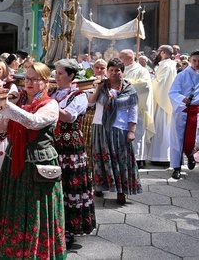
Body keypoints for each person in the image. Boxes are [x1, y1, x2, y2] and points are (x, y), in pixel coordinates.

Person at [0, 62, 66, 259]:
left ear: (46, 82)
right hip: (14, 160)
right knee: (14, 208)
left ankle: (37, 252)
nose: (28, 83)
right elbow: (0, 128)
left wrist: (8, 106)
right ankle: (13, 251)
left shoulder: (50, 104)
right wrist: (4, 109)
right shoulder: (19, 101)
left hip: (38, 163)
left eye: (34, 79)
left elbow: (33, 122)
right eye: (26, 79)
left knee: (37, 211)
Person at [51, 59, 96, 249]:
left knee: (70, 185)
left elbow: (68, 116)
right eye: (56, 72)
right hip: (53, 143)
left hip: (70, 147)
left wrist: (47, 105)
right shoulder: (51, 92)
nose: (57, 76)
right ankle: (54, 226)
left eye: (61, 73)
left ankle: (69, 229)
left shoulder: (79, 95)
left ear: (71, 76)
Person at [88, 58, 142, 204]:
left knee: (120, 160)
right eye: (111, 70)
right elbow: (91, 101)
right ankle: (99, 186)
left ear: (122, 72)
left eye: (117, 70)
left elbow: (133, 111)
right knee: (99, 157)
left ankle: (121, 191)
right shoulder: (101, 86)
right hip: (100, 126)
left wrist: (132, 131)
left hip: (120, 128)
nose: (113, 73)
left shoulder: (129, 90)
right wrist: (98, 88)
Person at [119, 49, 155, 168]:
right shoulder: (121, 69)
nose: (119, 60)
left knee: (137, 133)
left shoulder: (141, 70)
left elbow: (145, 85)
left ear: (130, 58)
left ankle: (139, 159)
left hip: (137, 106)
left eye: (121, 57)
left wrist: (128, 82)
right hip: (123, 107)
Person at [168, 50, 199, 180]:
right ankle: (176, 167)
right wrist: (183, 99)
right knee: (178, 138)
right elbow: (173, 92)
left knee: (196, 138)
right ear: (190, 60)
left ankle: (192, 155)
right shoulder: (182, 75)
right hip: (183, 110)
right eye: (195, 61)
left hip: (197, 111)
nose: (197, 63)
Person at [149, 45, 177, 164]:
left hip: (163, 102)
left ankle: (162, 157)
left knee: (162, 128)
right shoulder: (167, 65)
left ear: (163, 53)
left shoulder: (167, 66)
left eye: (158, 51)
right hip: (163, 101)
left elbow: (161, 84)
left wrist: (149, 80)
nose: (156, 54)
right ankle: (159, 157)